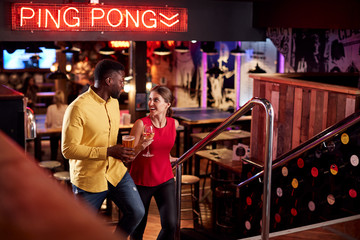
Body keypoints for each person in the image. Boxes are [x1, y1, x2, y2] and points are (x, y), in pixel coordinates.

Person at [61, 59, 149, 239]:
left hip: (115, 172)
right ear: (108, 81)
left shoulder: (114, 103)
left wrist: (127, 152)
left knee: (137, 212)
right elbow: (68, 150)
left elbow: (109, 139)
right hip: (89, 179)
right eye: (122, 80)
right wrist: (108, 151)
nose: (123, 85)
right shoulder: (78, 108)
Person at [129, 85, 179, 240]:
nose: (150, 103)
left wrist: (173, 159)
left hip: (165, 179)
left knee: (171, 225)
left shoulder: (173, 124)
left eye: (156, 100)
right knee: (137, 229)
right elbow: (128, 156)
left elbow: (165, 151)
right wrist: (141, 146)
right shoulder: (140, 124)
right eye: (150, 99)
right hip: (141, 181)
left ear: (167, 104)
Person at [45, 90, 68, 161]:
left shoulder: (50, 108)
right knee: (65, 154)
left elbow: (48, 123)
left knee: (53, 152)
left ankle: (52, 169)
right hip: (64, 133)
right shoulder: (67, 107)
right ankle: (66, 169)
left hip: (53, 133)